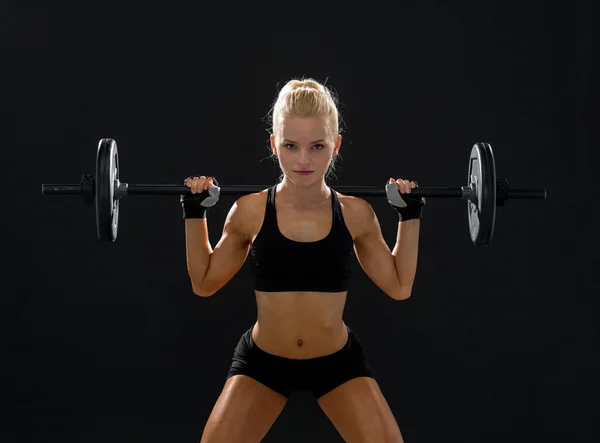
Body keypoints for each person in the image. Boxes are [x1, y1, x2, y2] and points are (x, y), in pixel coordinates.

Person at [182, 78, 424, 443]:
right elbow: (203, 283)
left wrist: (409, 217)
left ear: (336, 146)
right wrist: (194, 214)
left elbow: (400, 286)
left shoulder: (356, 214)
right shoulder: (249, 211)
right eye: (291, 146)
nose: (304, 160)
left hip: (336, 361)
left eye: (317, 146)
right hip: (264, 361)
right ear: (273, 145)